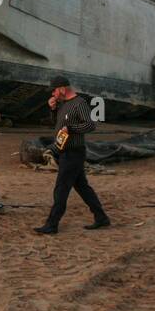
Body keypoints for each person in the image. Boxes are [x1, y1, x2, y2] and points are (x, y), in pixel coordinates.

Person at [34, 75, 110, 234]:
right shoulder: (63, 104)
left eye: (54, 90)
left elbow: (90, 125)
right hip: (65, 152)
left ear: (62, 88)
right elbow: (57, 124)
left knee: (61, 188)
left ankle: (52, 224)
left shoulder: (79, 103)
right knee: (83, 188)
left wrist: (71, 129)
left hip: (73, 152)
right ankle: (101, 217)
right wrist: (53, 109)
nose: (53, 94)